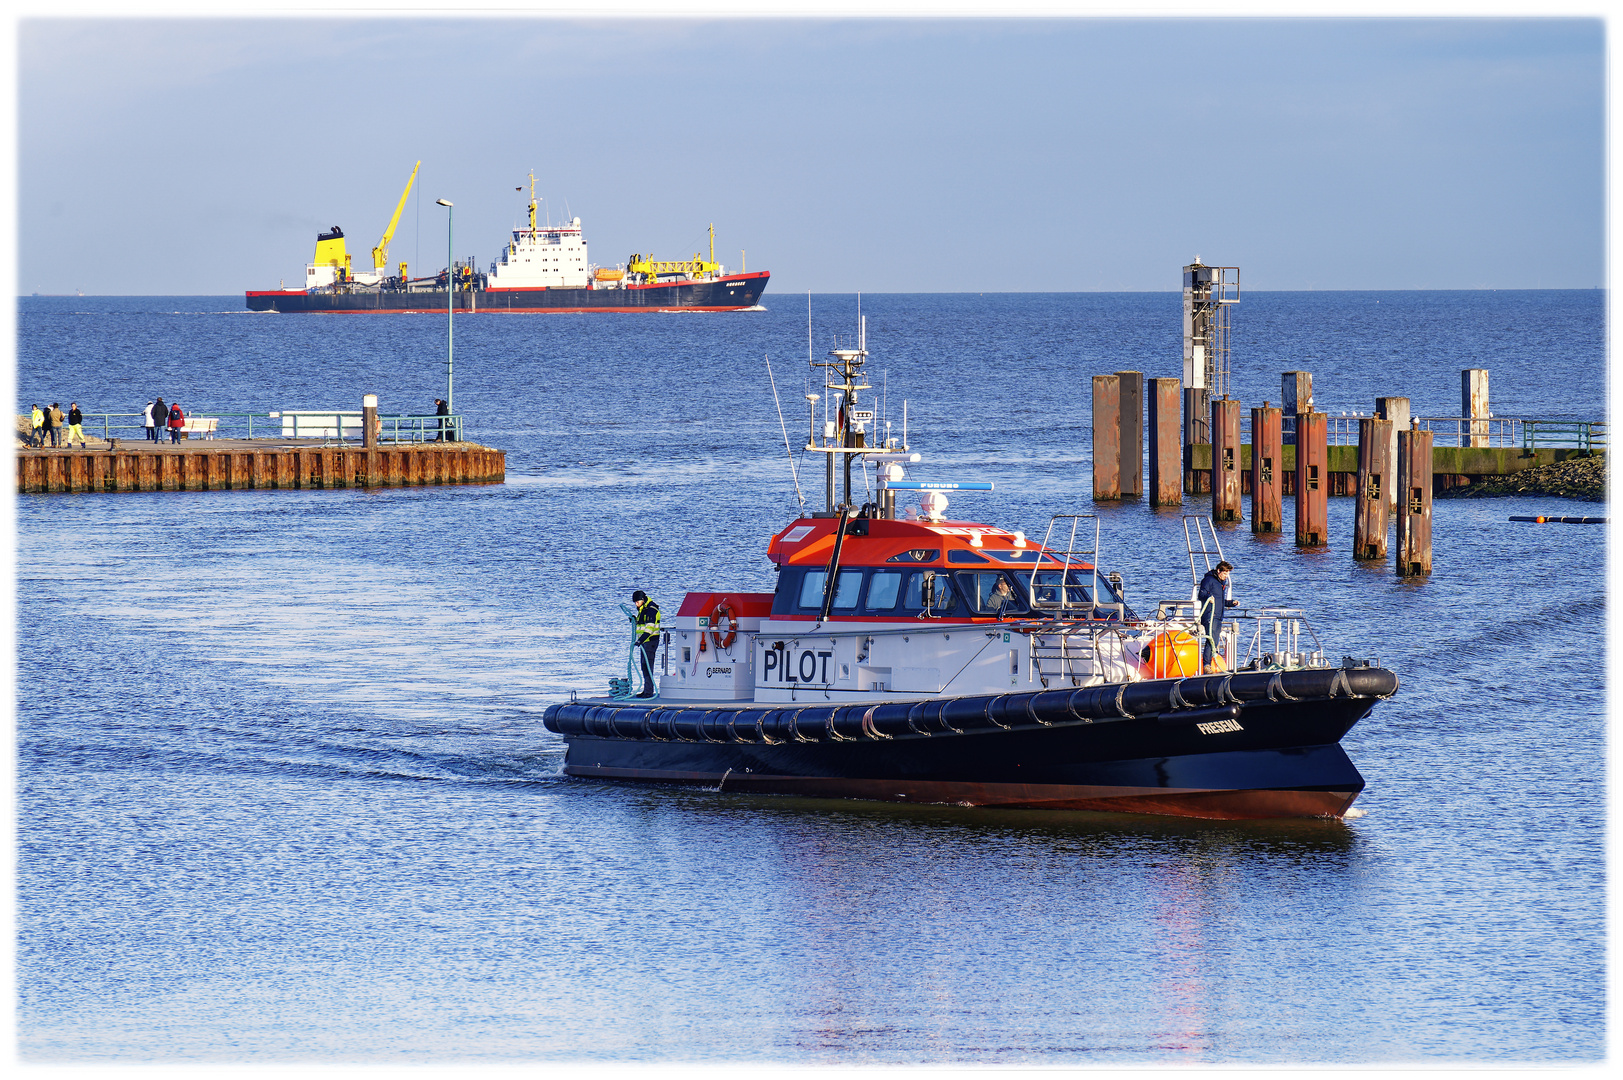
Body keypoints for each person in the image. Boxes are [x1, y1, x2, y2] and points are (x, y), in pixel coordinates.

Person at [1197, 560, 1237, 672]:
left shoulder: (1221, 583)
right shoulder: (1208, 580)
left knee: (1215, 640)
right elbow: (1201, 594)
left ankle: (1212, 662)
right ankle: (1206, 665)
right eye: (1225, 573)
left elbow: (1220, 600)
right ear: (1218, 571)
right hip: (1210, 615)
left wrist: (1231, 603)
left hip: (1218, 615)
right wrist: (1209, 596)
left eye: (1228, 573)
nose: (1226, 576)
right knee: (1212, 640)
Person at [631, 589, 662, 698]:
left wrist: (640, 640)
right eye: (635, 602)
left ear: (643, 600)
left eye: (637, 602)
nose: (636, 604)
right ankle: (646, 690)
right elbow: (642, 624)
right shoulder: (643, 609)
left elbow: (649, 628)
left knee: (648, 666)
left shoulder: (651, 610)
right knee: (644, 666)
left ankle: (649, 692)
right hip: (644, 643)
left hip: (650, 641)